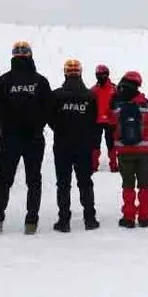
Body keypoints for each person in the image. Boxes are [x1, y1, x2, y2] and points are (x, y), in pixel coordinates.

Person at [0, 41, 52, 234]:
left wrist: (3, 125)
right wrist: (38, 125)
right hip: (34, 138)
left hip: (10, 138)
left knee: (4, 180)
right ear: (30, 56)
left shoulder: (2, 81)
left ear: (13, 57)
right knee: (34, 180)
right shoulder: (40, 81)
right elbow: (48, 109)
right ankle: (31, 222)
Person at [47, 59, 100, 232]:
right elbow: (94, 121)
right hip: (83, 144)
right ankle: (90, 218)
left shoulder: (56, 96)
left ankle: (64, 220)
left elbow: (51, 119)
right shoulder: (90, 96)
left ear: (65, 73)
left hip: (62, 144)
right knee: (85, 182)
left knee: (63, 183)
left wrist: (62, 129)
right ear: (80, 73)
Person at [112, 71, 148, 228]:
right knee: (145, 185)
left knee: (128, 185)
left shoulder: (117, 105)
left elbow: (111, 126)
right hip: (144, 152)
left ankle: (128, 217)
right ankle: (144, 217)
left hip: (124, 152)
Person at [91, 64, 118, 172]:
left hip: (110, 121)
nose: (101, 76)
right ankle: (93, 165)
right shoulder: (93, 90)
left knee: (111, 144)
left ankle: (113, 165)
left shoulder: (114, 89)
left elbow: (119, 104)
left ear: (107, 74)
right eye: (99, 74)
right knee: (94, 144)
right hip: (96, 121)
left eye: (103, 74)